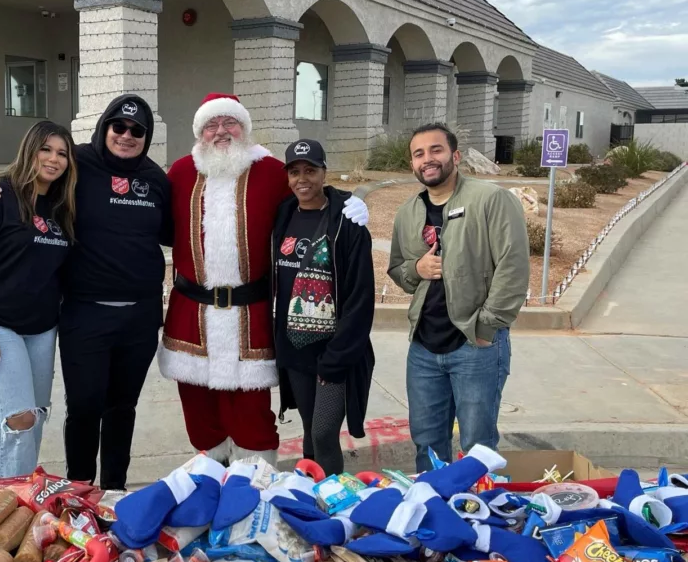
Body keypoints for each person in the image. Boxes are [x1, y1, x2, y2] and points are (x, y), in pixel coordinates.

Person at [0, 95, 171, 489]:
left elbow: (181, 231)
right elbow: (29, 171)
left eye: (137, 130)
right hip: (85, 313)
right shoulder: (78, 161)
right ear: (105, 127)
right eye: (119, 127)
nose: (126, 136)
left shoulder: (156, 179)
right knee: (84, 407)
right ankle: (79, 490)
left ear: (146, 136)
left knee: (122, 408)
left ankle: (112, 490)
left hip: (140, 316)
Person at [158, 93, 369, 464]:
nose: (221, 132)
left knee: (252, 411)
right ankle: (209, 482)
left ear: (245, 127)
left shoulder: (271, 170)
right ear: (199, 132)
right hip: (190, 315)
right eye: (211, 125)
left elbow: (307, 193)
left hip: (249, 315)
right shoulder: (179, 173)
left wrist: (346, 202)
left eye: (230, 123)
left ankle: (255, 486)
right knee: (198, 408)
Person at [388, 122, 529, 473]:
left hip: (474, 346)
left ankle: (481, 516)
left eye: (436, 150)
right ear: (412, 165)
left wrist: (487, 327)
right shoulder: (408, 213)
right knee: (427, 442)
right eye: (419, 154)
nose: (427, 159)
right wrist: (417, 269)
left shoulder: (491, 199)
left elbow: (513, 269)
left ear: (455, 155)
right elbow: (399, 271)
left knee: (478, 446)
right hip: (423, 347)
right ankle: (434, 514)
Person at [0, 120, 77, 477]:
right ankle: (4, 506)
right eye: (46, 149)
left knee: (34, 416)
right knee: (16, 419)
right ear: (29, 150)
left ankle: (21, 498)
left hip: (40, 328)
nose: (54, 159)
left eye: (62, 153)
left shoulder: (61, 205)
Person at [272, 139, 376, 476]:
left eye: (311, 170)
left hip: (334, 352)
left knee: (323, 432)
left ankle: (333, 501)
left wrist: (338, 355)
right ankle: (310, 500)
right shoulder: (284, 214)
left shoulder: (347, 223)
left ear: (323, 172)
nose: (303, 179)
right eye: (295, 172)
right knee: (307, 428)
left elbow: (361, 295)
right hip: (294, 348)